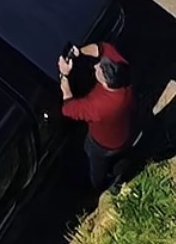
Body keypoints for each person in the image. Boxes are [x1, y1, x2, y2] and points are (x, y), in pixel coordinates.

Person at [58, 41, 135, 192]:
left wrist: (64, 75)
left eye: (99, 70)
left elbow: (68, 108)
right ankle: (122, 167)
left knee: (96, 168)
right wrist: (79, 52)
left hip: (103, 145)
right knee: (122, 155)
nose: (95, 66)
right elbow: (103, 48)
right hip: (125, 133)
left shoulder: (98, 107)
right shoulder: (122, 71)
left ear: (106, 83)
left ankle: (103, 186)